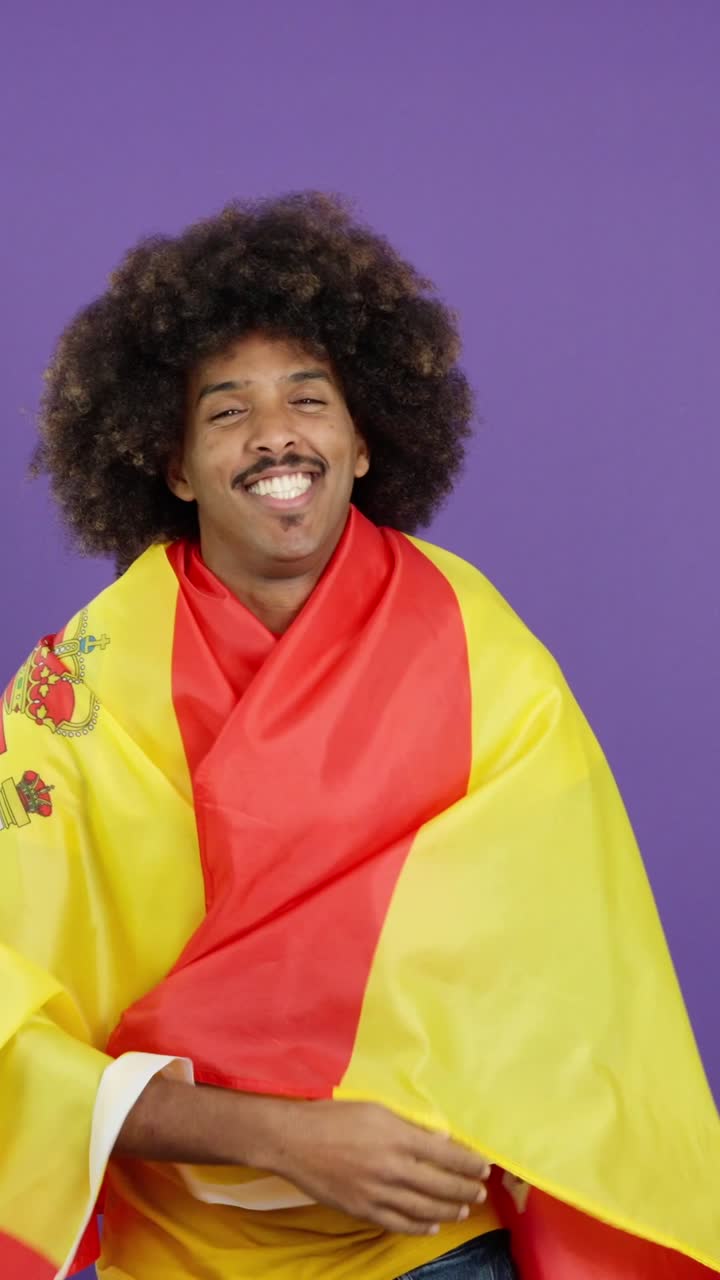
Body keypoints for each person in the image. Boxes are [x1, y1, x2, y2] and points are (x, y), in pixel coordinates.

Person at [0, 193, 716, 1280]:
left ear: (365, 438)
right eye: (226, 409)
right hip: (184, 1257)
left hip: (434, 1251)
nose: (276, 432)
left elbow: (570, 989)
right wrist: (288, 1136)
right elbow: (12, 1031)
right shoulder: (75, 697)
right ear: (176, 464)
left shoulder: (483, 650)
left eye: (309, 397)